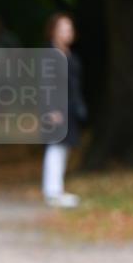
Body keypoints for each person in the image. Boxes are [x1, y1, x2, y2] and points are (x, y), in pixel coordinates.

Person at [42, 12, 87, 208]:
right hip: (55, 109)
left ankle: (57, 189)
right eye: (63, 29)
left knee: (64, 148)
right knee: (55, 147)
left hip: (69, 108)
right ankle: (52, 192)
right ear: (53, 31)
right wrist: (51, 109)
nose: (67, 33)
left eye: (69, 29)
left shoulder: (70, 55)